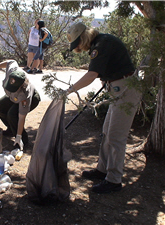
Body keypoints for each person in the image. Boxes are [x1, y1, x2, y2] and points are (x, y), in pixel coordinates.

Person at [65, 22, 141, 193]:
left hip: (127, 90)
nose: (78, 48)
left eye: (78, 43)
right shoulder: (100, 42)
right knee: (107, 133)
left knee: (116, 137)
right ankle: (102, 170)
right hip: (118, 89)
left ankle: (114, 180)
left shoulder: (101, 44)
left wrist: (69, 90)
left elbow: (91, 74)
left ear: (83, 37)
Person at [0, 60, 41, 150]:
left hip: (31, 99)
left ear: (21, 86)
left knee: (12, 115)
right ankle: (11, 129)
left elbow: (21, 118)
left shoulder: (25, 94)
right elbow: (11, 61)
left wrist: (18, 137)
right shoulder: (13, 71)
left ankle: (22, 140)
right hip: (13, 96)